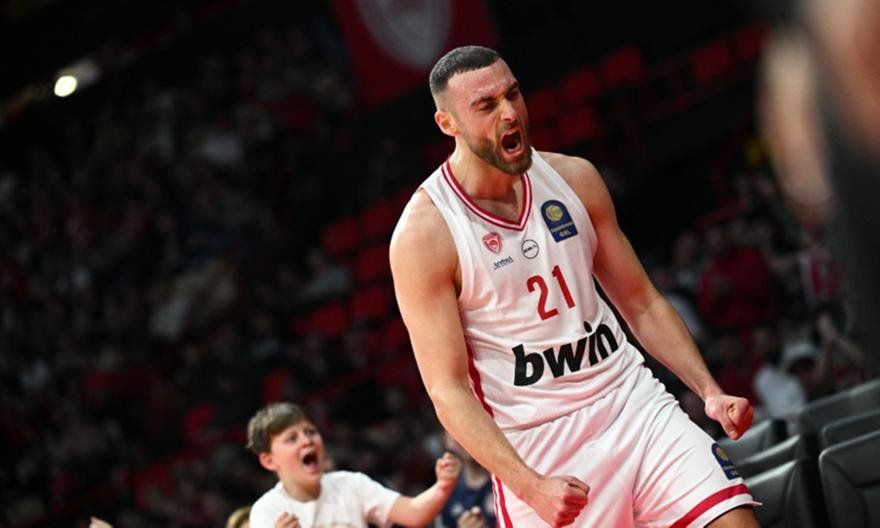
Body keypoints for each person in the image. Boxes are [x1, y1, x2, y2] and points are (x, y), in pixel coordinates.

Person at [390, 45, 758, 527]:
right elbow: (448, 391)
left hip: (633, 404)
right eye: (487, 105)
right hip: (540, 449)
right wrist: (529, 485)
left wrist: (708, 390)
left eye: (513, 94)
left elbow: (641, 302)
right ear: (448, 124)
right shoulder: (425, 235)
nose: (510, 113)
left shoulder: (574, 178)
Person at [246, 402, 461, 528]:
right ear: (269, 460)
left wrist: (443, 486)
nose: (307, 440)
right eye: (292, 438)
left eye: (310, 432)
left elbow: (413, 513)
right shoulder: (267, 510)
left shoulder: (350, 483)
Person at [435, 431, 496, 528]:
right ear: (445, 440)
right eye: (454, 430)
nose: (464, 437)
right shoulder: (445, 494)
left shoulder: (506, 479)